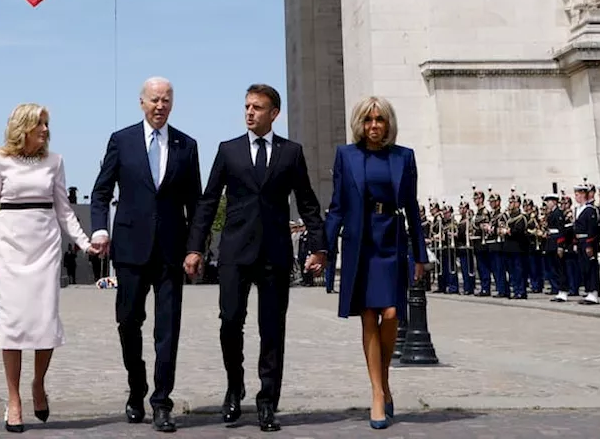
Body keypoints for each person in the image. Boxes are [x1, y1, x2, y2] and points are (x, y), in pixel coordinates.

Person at [185, 84, 326, 433]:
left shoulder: (291, 153)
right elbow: (207, 200)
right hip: (235, 252)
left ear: (273, 113)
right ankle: (235, 387)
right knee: (230, 321)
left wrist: (320, 247)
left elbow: (307, 200)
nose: (249, 112)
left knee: (272, 329)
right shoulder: (228, 151)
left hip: (275, 253)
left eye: (257, 107)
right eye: (247, 106)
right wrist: (195, 246)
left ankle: (267, 402)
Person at [90, 77, 202, 434]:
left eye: (166, 100)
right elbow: (101, 190)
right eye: (154, 99)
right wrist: (99, 229)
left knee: (167, 329)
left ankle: (161, 402)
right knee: (128, 321)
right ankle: (136, 385)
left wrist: (195, 246)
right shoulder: (121, 141)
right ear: (141, 102)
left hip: (171, 251)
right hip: (130, 248)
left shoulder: (187, 145)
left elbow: (196, 203)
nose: (160, 106)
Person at [0, 103, 97, 434]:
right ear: (24, 128)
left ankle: (38, 384)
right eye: (40, 124)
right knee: (14, 325)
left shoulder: (55, 161)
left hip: (45, 245)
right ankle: (14, 399)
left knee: (45, 321)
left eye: (47, 124)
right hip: (9, 246)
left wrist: (85, 243)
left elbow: (64, 210)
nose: (46, 130)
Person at [322, 96, 427, 430]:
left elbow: (412, 208)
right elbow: (337, 205)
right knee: (368, 315)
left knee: (393, 313)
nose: (374, 126)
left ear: (388, 123)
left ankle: (382, 381)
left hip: (391, 239)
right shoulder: (346, 156)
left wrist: (421, 255)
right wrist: (323, 247)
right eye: (368, 120)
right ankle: (378, 393)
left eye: (380, 119)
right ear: (360, 124)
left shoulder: (404, 157)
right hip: (360, 240)